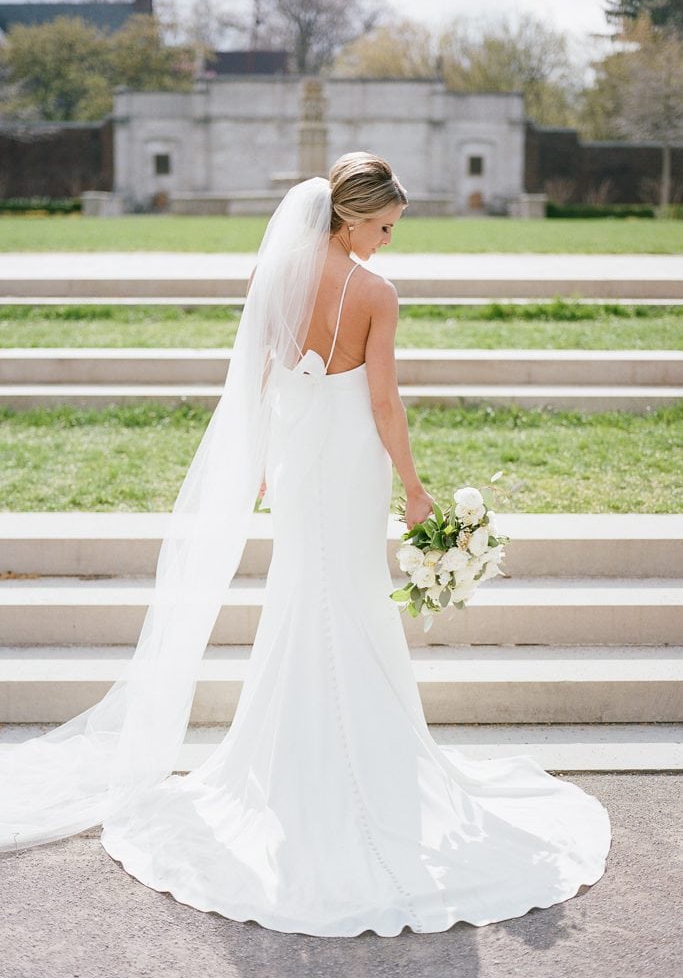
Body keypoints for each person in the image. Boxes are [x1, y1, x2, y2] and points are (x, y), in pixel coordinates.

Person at [0, 152, 611, 938]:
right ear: (351, 217)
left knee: (303, 596)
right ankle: (359, 766)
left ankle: (288, 763)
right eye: (384, 226)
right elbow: (384, 402)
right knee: (348, 597)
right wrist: (416, 488)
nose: (388, 241)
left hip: (295, 464)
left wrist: (255, 468)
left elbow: (256, 377)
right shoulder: (375, 294)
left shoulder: (279, 278)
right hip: (350, 461)